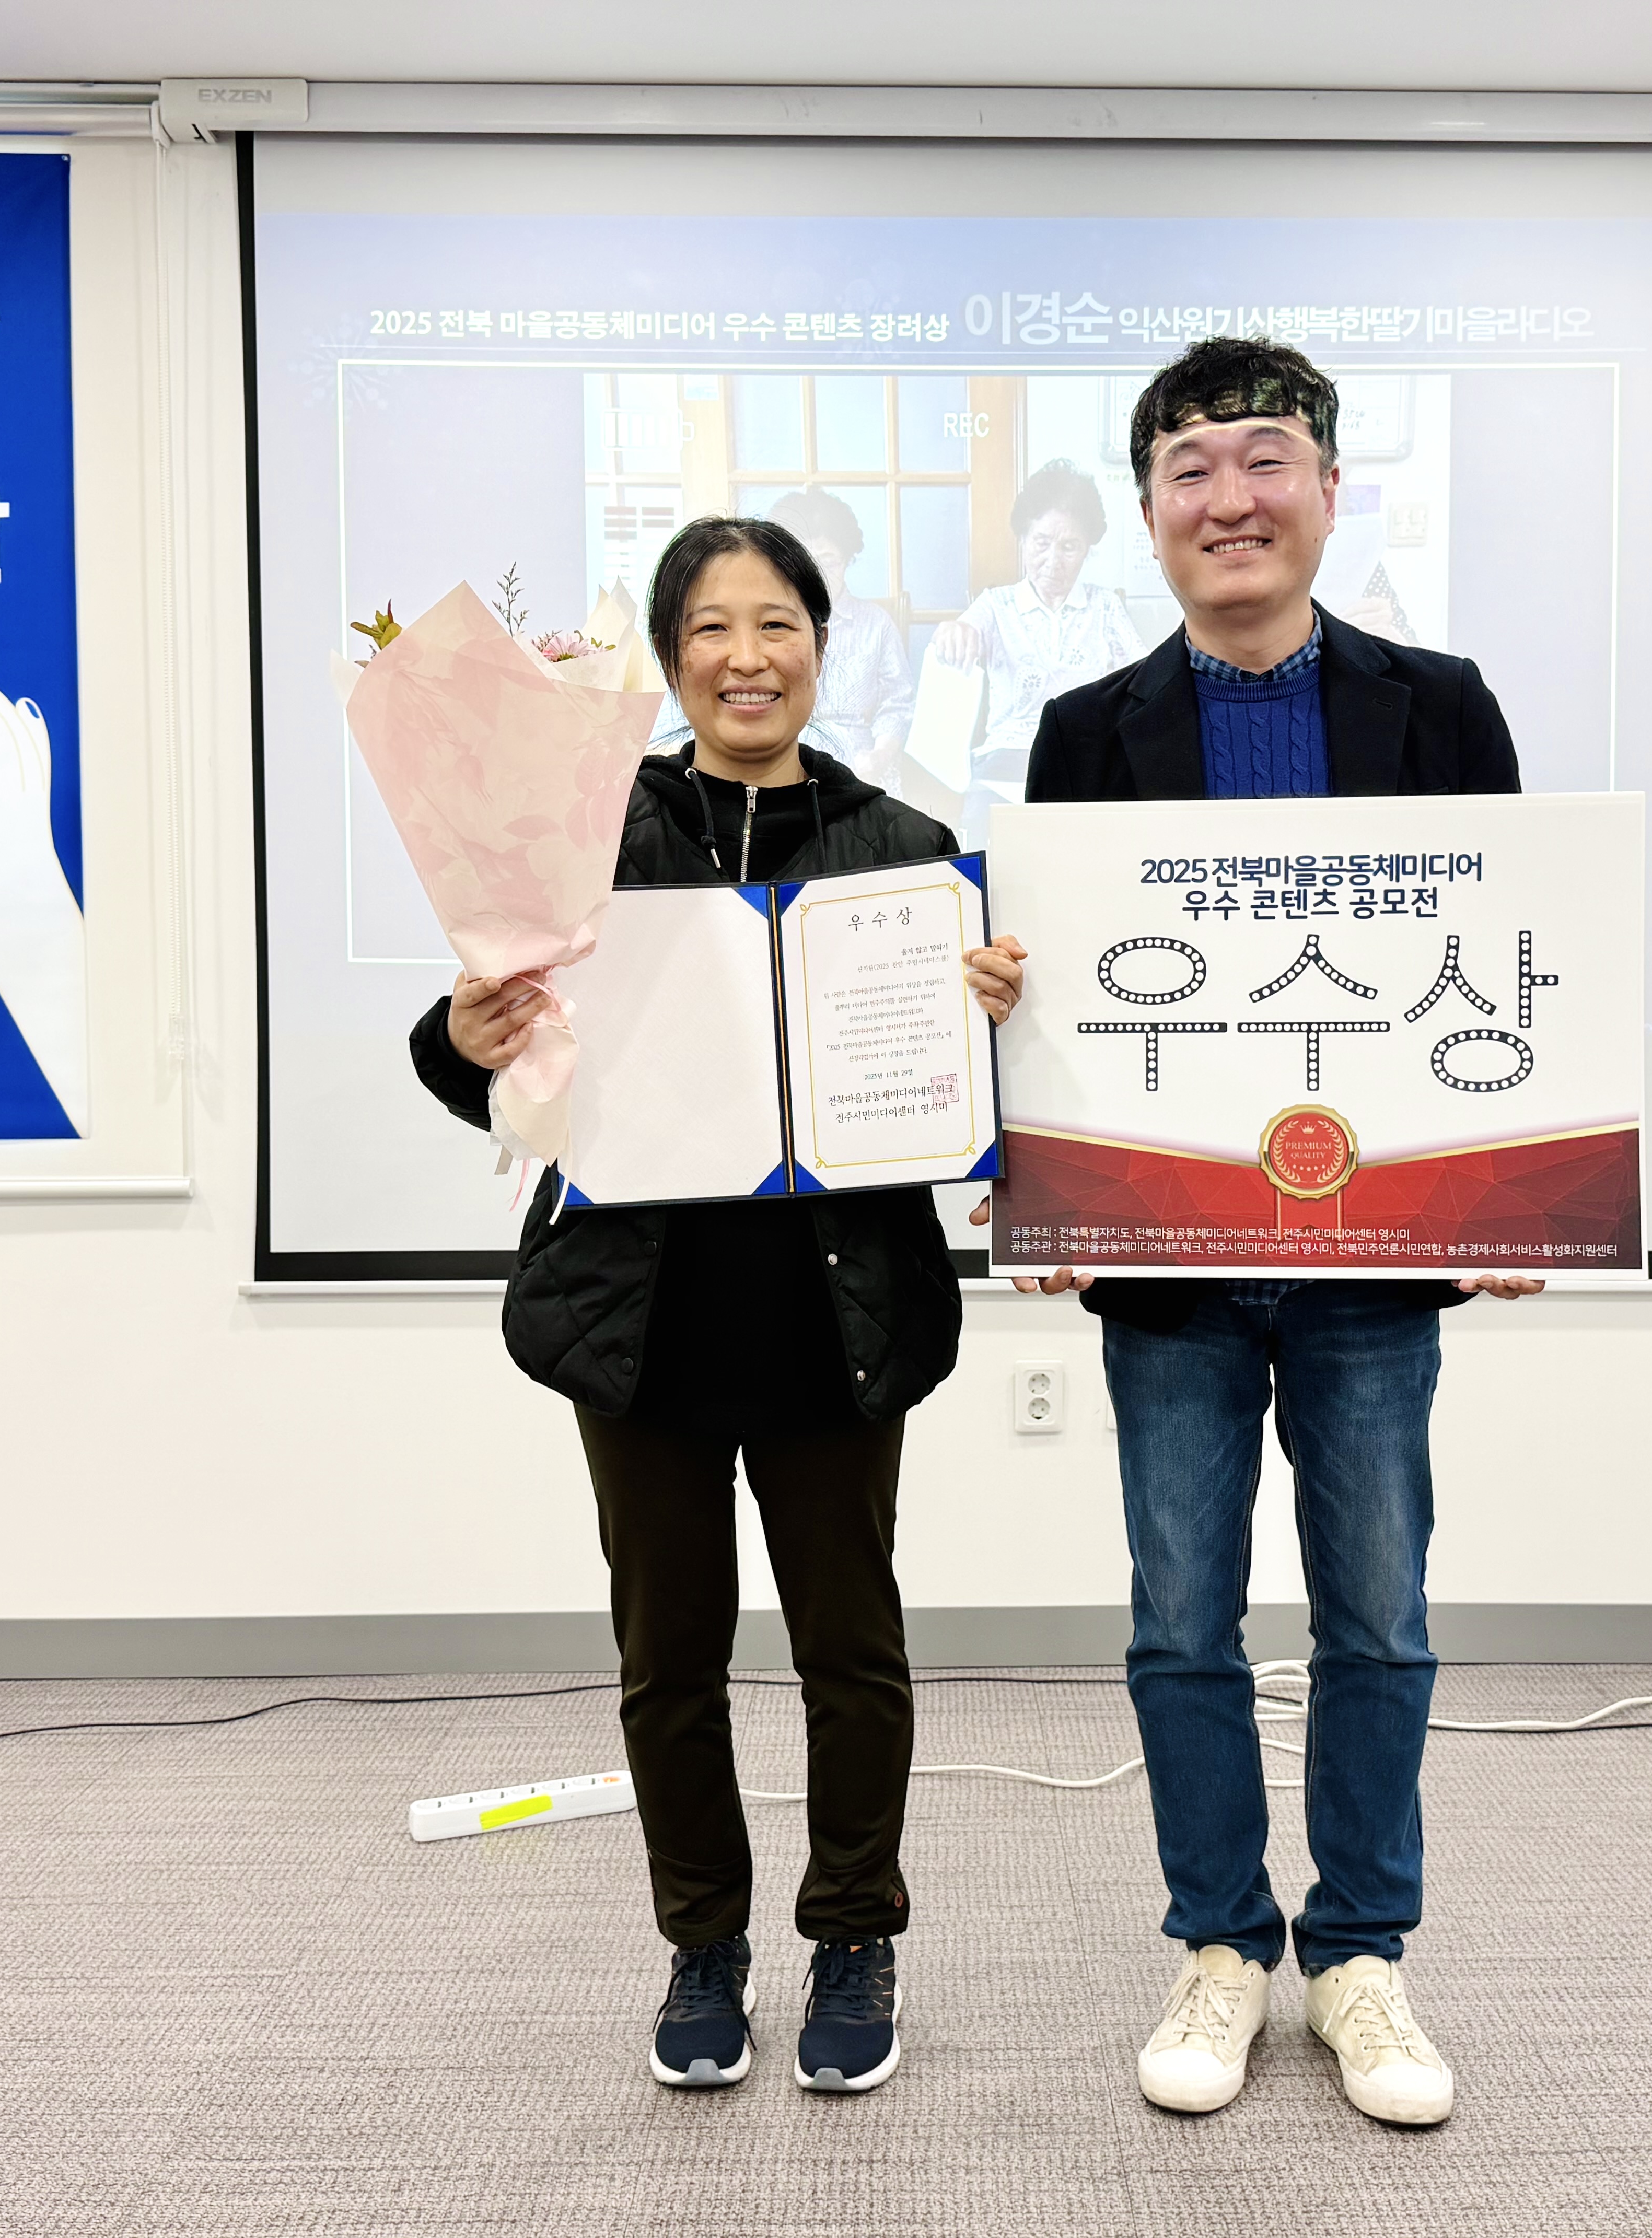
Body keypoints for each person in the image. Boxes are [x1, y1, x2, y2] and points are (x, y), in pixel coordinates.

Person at [411, 516, 1027, 2099]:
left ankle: (854, 1934)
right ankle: (702, 1943)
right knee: (667, 1660)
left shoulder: (904, 848)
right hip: (641, 1320)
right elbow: (473, 1054)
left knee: (851, 1651)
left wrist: (990, 1022)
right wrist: (472, 1033)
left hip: (839, 1320)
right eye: (709, 628)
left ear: (822, 644)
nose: (746, 657)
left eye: (777, 625)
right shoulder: (582, 834)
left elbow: (966, 1090)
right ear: (672, 659)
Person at [1018, 339, 1542, 2127]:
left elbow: (1509, 951)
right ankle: (1224, 1944)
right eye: (1190, 468)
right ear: (1149, 509)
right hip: (1168, 1265)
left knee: (1378, 1617)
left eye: (1264, 460)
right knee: (1182, 1619)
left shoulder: (1440, 706)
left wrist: (1514, 1182)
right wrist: (1037, 1160)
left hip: (1372, 1260)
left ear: (1328, 487)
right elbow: (1068, 992)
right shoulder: (1086, 731)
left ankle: (1362, 1954)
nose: (1229, 497)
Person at [930, 459, 1146, 842]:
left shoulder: (1105, 607)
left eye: (1069, 547)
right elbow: (962, 631)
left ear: (1087, 548)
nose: (1053, 562)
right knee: (986, 851)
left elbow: (1144, 677)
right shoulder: (996, 605)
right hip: (1006, 762)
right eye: (1041, 543)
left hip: (1086, 759)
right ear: (1024, 539)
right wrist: (953, 632)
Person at [767, 487, 913, 782]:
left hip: (859, 764)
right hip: (780, 756)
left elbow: (897, 703)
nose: (817, 576)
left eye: (829, 562)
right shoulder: (766, 623)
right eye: (805, 564)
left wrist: (879, 757)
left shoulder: (876, 623)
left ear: (847, 559)